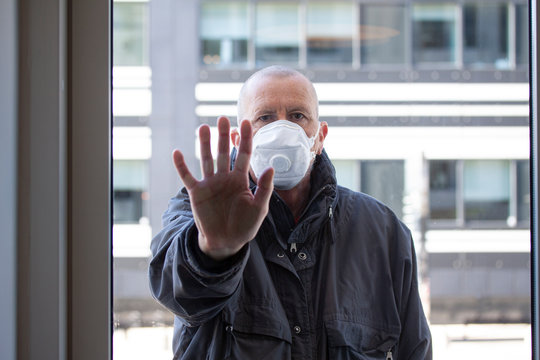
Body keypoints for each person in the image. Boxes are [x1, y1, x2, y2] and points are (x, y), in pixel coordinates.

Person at [149, 65, 432, 359]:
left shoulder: (382, 232)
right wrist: (212, 252)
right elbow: (174, 291)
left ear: (319, 137)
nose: (283, 129)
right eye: (265, 118)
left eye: (297, 116)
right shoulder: (201, 212)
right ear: (238, 139)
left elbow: (415, 350)